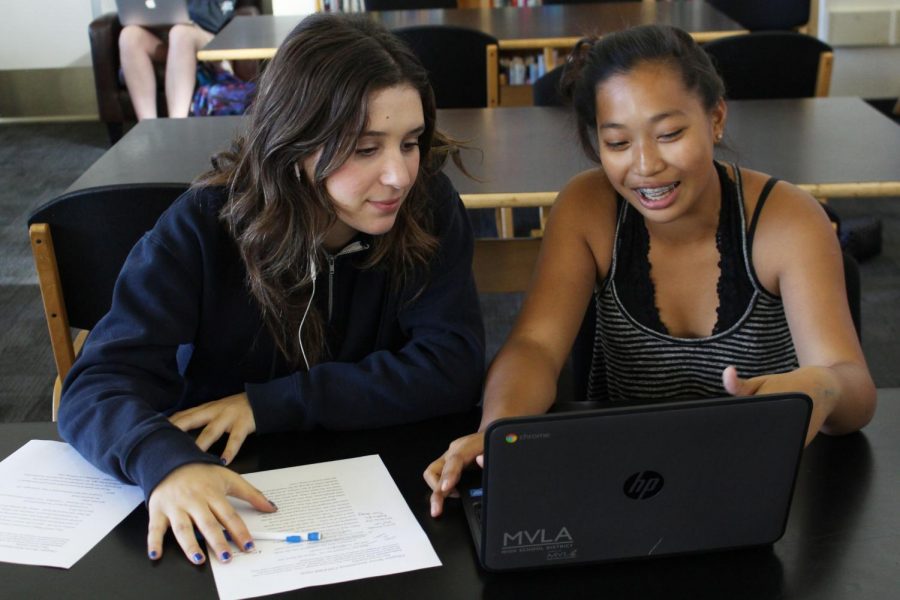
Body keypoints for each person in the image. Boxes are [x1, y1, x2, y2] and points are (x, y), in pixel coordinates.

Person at [59, 13, 485, 564]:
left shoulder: (427, 207)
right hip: (231, 493)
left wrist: (272, 405)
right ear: (294, 142)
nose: (400, 174)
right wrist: (167, 462)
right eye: (365, 148)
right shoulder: (203, 225)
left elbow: (453, 365)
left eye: (410, 142)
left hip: (384, 496)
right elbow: (97, 384)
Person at [425, 24, 876, 517]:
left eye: (670, 134)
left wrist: (820, 386)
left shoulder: (786, 219)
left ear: (716, 118)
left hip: (758, 487)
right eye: (617, 143)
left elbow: (852, 391)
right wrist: (500, 433)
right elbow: (535, 345)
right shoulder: (587, 207)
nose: (645, 165)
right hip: (629, 489)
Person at [118, 1, 241, 119]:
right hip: (168, 37)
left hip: (208, 37)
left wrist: (183, 14)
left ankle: (176, 124)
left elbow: (216, 18)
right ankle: (147, 126)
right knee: (129, 36)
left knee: (180, 33)